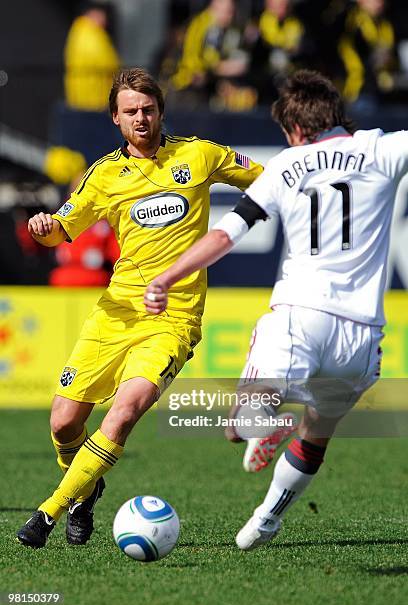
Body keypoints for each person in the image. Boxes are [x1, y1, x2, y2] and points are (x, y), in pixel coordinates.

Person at [143, 69, 403, 551]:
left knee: (236, 425)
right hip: (362, 335)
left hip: (299, 315)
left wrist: (165, 276)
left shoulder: (287, 165)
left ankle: (264, 419)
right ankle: (265, 520)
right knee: (318, 434)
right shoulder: (382, 150)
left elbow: (225, 234)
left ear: (296, 131)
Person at [16, 67, 263, 549]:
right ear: (115, 118)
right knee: (64, 420)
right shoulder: (105, 174)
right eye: (130, 111)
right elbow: (63, 226)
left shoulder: (199, 155)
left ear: (161, 111)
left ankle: (48, 511)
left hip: (173, 319)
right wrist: (44, 226)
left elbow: (269, 179)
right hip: (115, 313)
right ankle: (86, 493)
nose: (141, 118)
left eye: (148, 109)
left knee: (124, 411)